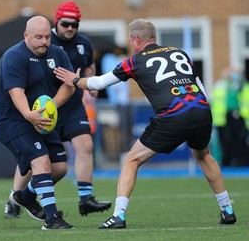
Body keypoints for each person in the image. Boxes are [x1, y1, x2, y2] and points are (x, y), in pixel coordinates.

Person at [54, 18, 237, 229]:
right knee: (204, 156)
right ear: (154, 37)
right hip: (202, 111)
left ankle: (118, 216)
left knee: (132, 160)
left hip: (173, 115)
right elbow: (198, 85)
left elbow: (100, 82)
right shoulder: (180, 53)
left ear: (135, 39)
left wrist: (75, 81)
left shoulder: (135, 61)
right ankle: (227, 210)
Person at [4, 0, 111, 220]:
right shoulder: (34, 46)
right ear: (57, 22)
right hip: (39, 108)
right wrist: (41, 110)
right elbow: (17, 91)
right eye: (65, 24)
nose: (70, 28)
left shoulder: (84, 43)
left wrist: (90, 84)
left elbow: (89, 67)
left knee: (84, 146)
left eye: (75, 24)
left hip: (70, 106)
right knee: (37, 159)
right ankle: (14, 197)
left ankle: (85, 197)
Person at [0, 16, 75, 229]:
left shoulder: (57, 53)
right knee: (41, 163)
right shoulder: (13, 56)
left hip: (41, 120)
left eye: (47, 37)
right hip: (12, 121)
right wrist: (29, 114)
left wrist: (50, 108)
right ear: (26, 36)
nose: (44, 42)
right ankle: (52, 219)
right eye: (38, 37)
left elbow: (69, 86)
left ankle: (25, 197)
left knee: (60, 168)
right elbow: (16, 92)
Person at [211, 67, 249, 166]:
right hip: (223, 118)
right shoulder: (225, 86)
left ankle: (237, 161)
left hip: (240, 118)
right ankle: (227, 161)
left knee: (238, 141)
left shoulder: (240, 86)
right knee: (225, 142)